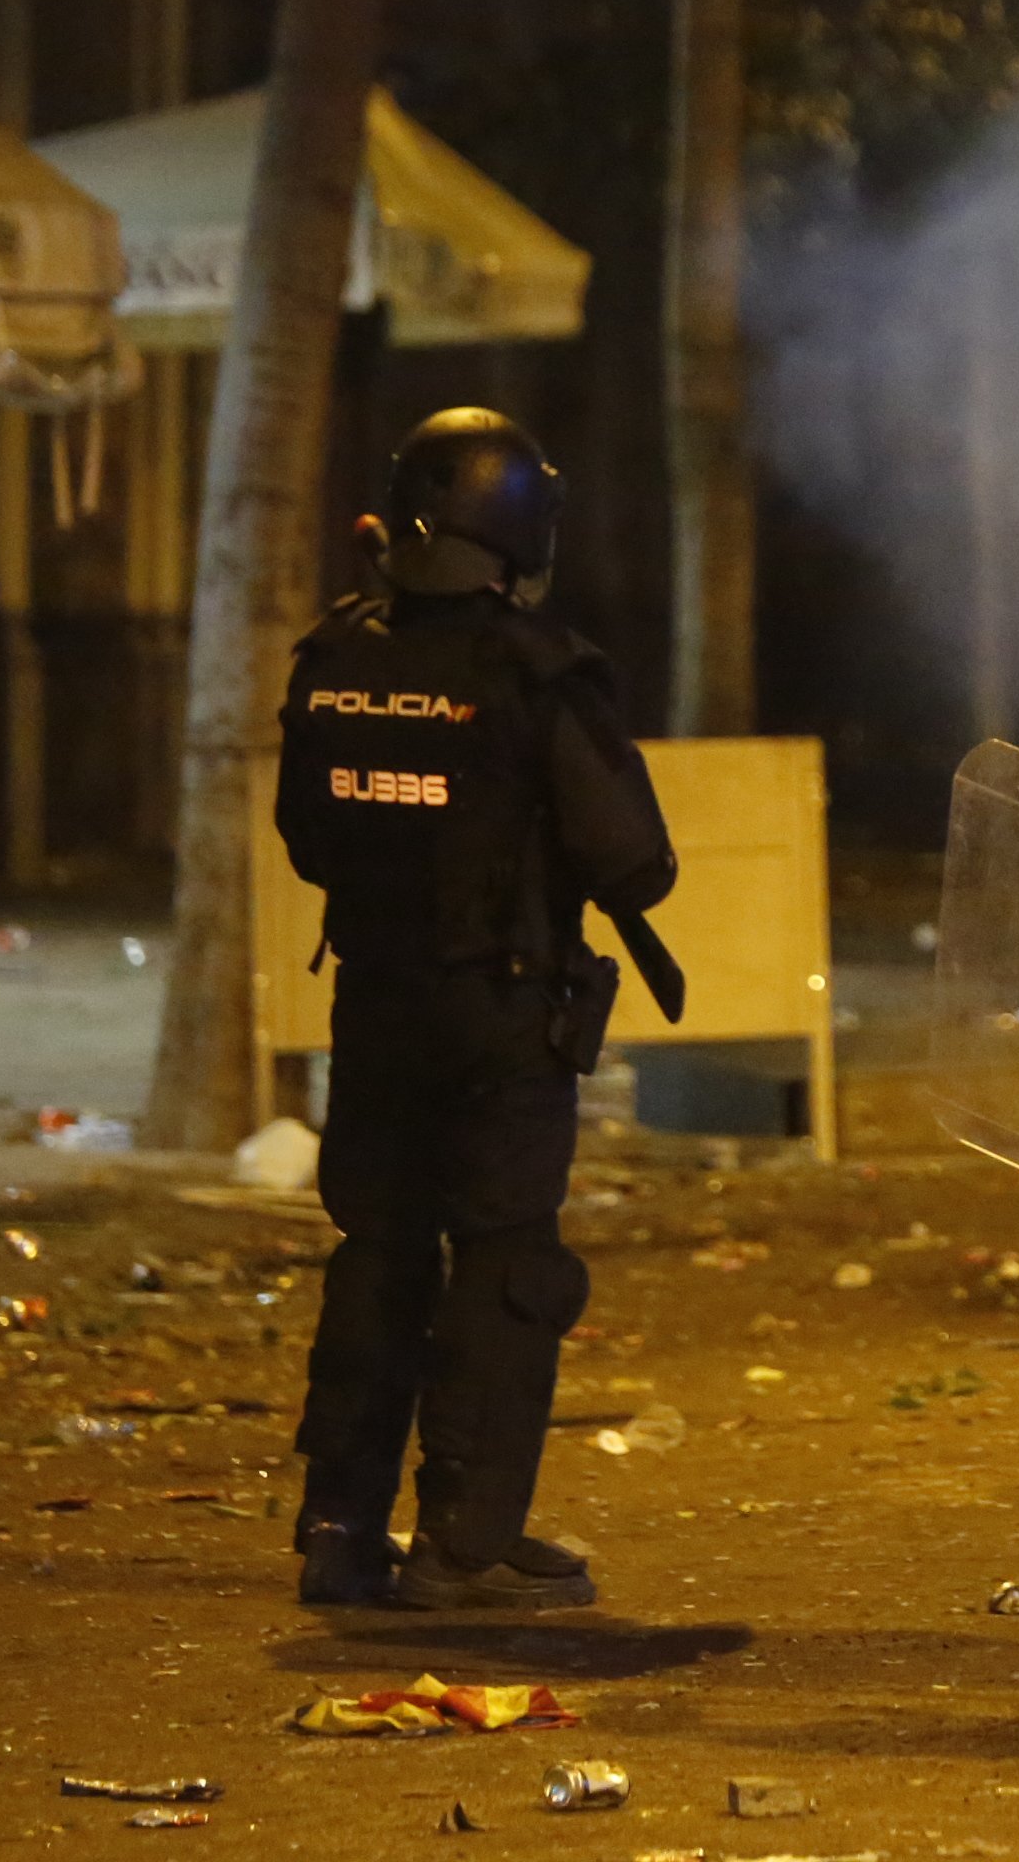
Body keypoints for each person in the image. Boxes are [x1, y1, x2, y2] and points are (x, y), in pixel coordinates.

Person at [275, 408, 676, 1612]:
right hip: (502, 1018)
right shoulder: (538, 669)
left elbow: (308, 840)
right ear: (516, 527)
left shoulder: (333, 658)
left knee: (378, 1258)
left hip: (377, 1007)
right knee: (507, 1269)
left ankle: (340, 1531)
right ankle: (465, 1542)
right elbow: (638, 864)